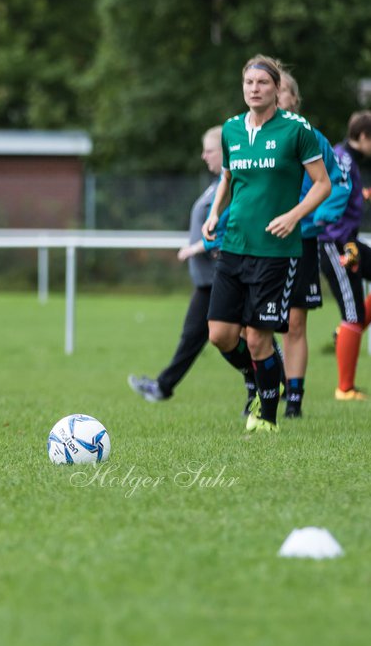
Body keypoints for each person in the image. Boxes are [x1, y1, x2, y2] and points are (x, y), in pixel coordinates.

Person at [202, 55, 331, 433]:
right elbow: (226, 178)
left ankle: (268, 419)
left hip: (276, 251)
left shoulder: (296, 130)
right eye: (249, 83)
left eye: (262, 83)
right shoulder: (231, 130)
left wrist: (294, 215)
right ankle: (261, 379)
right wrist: (214, 214)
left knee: (259, 338)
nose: (254, 89)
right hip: (234, 245)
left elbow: (322, 183)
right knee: (221, 335)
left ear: (277, 88)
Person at [127, 126, 235, 403]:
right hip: (206, 279)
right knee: (196, 337)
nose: (203, 156)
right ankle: (163, 386)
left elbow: (230, 227)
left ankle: (274, 383)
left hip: (221, 275)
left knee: (232, 338)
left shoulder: (232, 185)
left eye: (209, 150)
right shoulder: (215, 185)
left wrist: (196, 247)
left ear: (224, 153)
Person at [273, 70, 351, 418]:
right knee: (251, 325)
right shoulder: (251, 136)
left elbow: (339, 181)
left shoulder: (309, 137)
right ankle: (260, 389)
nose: (276, 96)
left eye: (283, 91)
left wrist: (317, 218)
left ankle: (294, 400)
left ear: (294, 99)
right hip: (259, 242)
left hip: (300, 241)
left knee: (294, 322)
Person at [318, 110, 371, 400]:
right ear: (364, 136)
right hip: (336, 243)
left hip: (348, 241)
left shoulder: (344, 157)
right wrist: (346, 244)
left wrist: (363, 194)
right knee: (353, 315)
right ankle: (345, 389)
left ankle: (345, 335)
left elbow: (338, 190)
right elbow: (329, 200)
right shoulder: (342, 158)